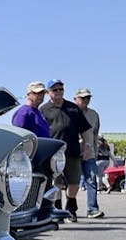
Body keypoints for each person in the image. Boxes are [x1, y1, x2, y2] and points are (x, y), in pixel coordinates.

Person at [39, 79, 91, 221]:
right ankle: (57, 210)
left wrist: (87, 146)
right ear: (48, 92)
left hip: (72, 151)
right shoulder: (43, 109)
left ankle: (71, 208)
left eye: (61, 89)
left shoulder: (73, 108)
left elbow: (85, 130)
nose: (58, 92)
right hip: (52, 153)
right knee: (56, 183)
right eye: (55, 90)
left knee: (74, 181)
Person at [73, 87, 104, 217]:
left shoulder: (94, 114)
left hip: (89, 153)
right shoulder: (69, 112)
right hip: (72, 152)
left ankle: (92, 208)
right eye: (83, 98)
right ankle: (69, 210)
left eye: (88, 98)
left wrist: (94, 152)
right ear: (75, 98)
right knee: (71, 182)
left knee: (91, 180)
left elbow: (95, 135)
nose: (86, 100)